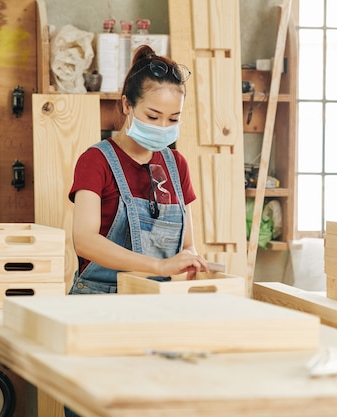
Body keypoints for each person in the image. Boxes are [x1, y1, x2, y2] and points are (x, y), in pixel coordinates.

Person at [64, 44, 209, 417]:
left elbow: (186, 242)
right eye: (153, 115)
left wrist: (193, 262)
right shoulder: (95, 161)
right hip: (99, 310)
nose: (164, 127)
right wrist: (158, 267)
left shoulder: (175, 164)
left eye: (173, 119)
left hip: (155, 311)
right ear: (127, 105)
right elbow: (85, 240)